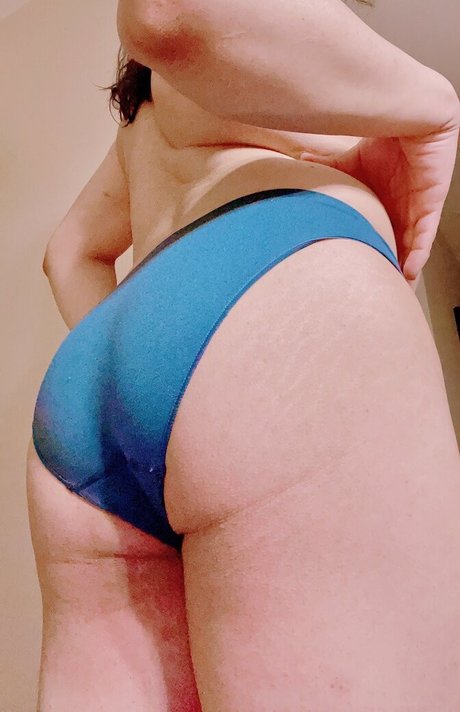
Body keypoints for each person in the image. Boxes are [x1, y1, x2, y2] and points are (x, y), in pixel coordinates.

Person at [27, 0, 460, 709]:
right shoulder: (292, 71)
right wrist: (432, 103)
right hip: (276, 303)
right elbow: (169, 10)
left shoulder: (148, 120)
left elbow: (67, 253)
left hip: (91, 390)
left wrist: (159, 356)